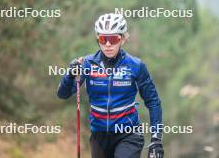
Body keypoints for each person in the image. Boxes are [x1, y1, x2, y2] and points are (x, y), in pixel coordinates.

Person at [57, 13, 164, 158]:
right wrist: (69, 74)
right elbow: (63, 94)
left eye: (113, 39)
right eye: (103, 39)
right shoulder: (87, 64)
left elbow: (153, 102)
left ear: (123, 39)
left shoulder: (136, 65)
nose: (108, 44)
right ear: (98, 39)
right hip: (99, 136)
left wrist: (156, 139)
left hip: (129, 134)